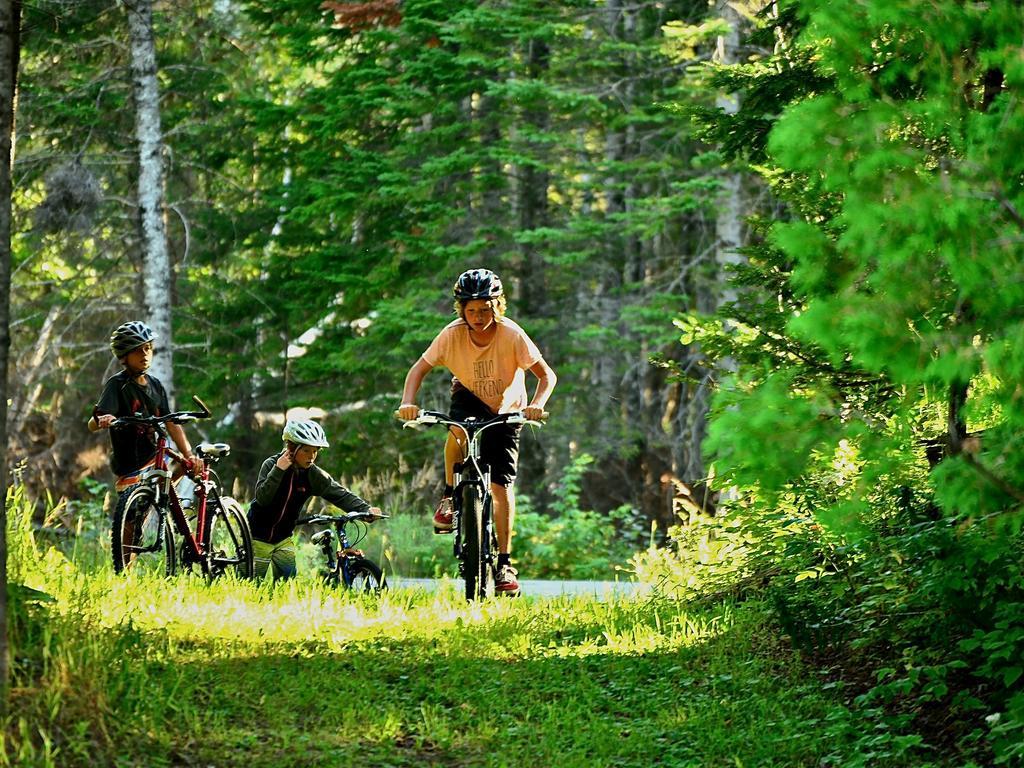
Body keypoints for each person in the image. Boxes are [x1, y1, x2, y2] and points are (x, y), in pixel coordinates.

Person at [397, 268, 556, 594]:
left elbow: (546, 376)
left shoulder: (511, 334)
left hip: (509, 407)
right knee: (457, 432)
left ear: (497, 306)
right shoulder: (451, 334)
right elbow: (419, 370)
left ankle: (505, 564)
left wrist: (536, 404)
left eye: (485, 309)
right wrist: (407, 402)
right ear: (462, 310)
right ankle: (448, 497)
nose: (479, 316)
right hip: (468, 397)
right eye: (472, 310)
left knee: (500, 486)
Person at [248, 419, 381, 580]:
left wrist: (365, 509)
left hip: (283, 539)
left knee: (287, 582)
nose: (311, 457)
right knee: (250, 582)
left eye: (315, 451)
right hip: (257, 537)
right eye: (306, 451)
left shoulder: (312, 474)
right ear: (292, 448)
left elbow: (339, 493)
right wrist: (278, 470)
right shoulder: (271, 464)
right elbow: (262, 498)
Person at [88, 320, 200, 495]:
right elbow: (93, 423)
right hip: (128, 464)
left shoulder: (155, 385)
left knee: (185, 464)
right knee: (131, 518)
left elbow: (170, 422)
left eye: (148, 348)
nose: (145, 353)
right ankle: (159, 504)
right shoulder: (117, 384)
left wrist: (188, 454)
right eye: (137, 350)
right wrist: (102, 419)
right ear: (124, 355)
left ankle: (165, 502)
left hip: (153, 456)